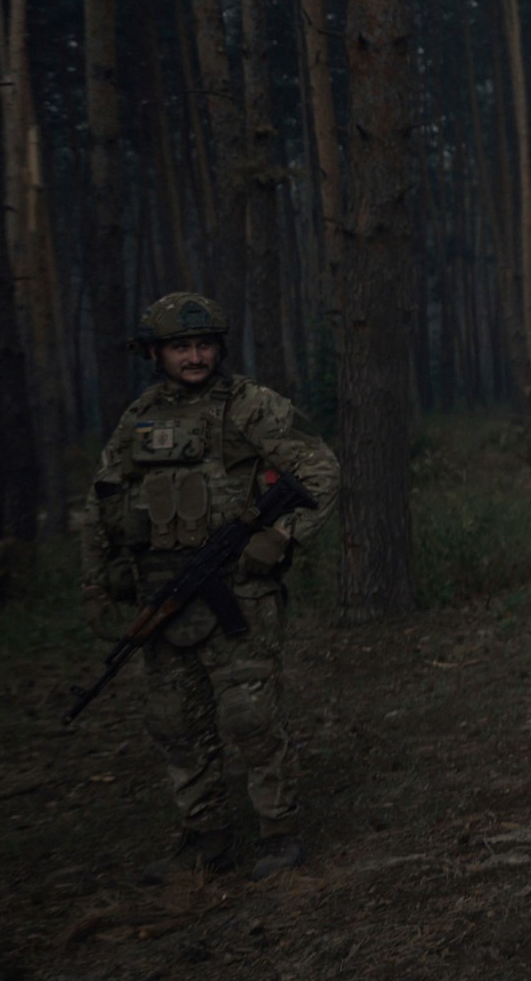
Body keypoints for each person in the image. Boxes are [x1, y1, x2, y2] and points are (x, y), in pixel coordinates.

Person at [82, 292, 339, 883]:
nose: (194, 357)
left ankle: (278, 833)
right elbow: (103, 505)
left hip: (238, 594)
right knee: (175, 719)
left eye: (203, 345)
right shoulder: (138, 419)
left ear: (218, 349)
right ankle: (204, 838)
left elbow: (320, 468)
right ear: (156, 353)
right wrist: (97, 585)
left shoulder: (249, 406)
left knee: (251, 714)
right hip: (165, 593)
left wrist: (280, 536)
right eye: (180, 347)